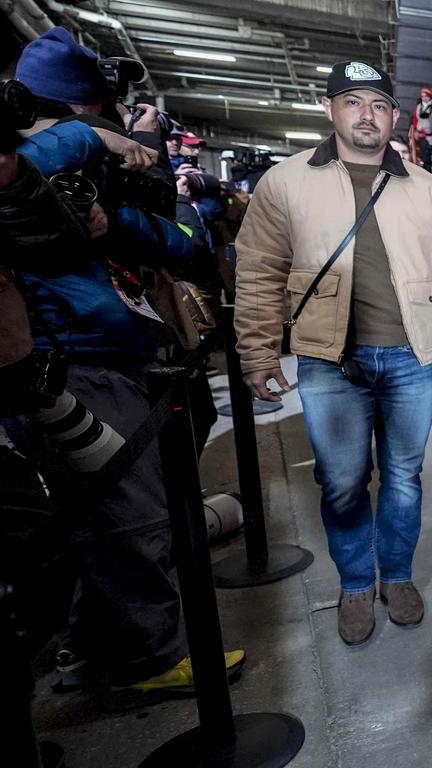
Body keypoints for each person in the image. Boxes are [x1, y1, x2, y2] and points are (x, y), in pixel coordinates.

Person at [11, 28, 245, 701]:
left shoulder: (73, 172)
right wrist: (101, 139)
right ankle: (153, 655)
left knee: (105, 515)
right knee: (128, 513)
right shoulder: (40, 158)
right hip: (76, 357)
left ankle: (89, 646)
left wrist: (129, 205)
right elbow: (27, 167)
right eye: (92, 112)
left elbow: (161, 239)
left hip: (109, 349)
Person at [234, 61, 432, 647]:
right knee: (343, 482)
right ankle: (355, 583)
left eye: (377, 104)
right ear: (330, 110)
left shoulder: (428, 190)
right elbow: (258, 273)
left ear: (393, 116)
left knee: (403, 478)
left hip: (409, 358)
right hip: (329, 362)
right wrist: (256, 350)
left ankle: (396, 576)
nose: (366, 115)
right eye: (352, 102)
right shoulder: (286, 182)